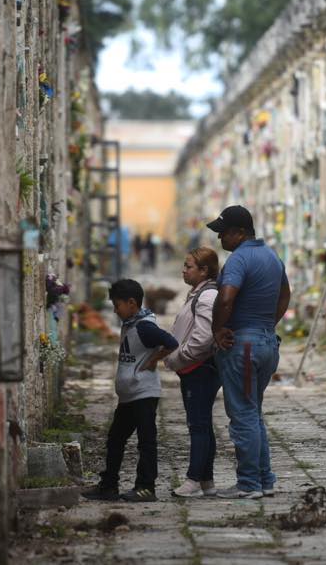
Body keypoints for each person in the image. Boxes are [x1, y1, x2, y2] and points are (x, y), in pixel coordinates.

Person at [206, 205, 290, 499]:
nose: (220, 240)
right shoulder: (271, 255)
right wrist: (267, 324)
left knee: (242, 415)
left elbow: (226, 298)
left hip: (242, 346)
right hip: (267, 342)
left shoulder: (240, 259)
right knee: (253, 412)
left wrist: (218, 329)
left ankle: (249, 483)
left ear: (240, 233)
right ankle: (264, 479)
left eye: (223, 233)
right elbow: (285, 294)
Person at [82, 279, 179, 503]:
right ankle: (108, 486)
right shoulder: (130, 323)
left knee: (146, 441)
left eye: (117, 306)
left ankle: (146, 487)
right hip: (128, 395)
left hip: (144, 393)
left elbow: (171, 342)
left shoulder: (145, 326)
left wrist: (154, 360)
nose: (115, 310)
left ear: (132, 303)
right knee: (115, 439)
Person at [163, 247, 222, 497]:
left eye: (189, 266)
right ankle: (206, 480)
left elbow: (202, 338)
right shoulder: (198, 293)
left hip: (199, 369)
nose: (183, 270)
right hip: (195, 369)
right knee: (202, 424)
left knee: (198, 425)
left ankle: (193, 480)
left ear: (204, 270)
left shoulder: (207, 297)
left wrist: (178, 358)